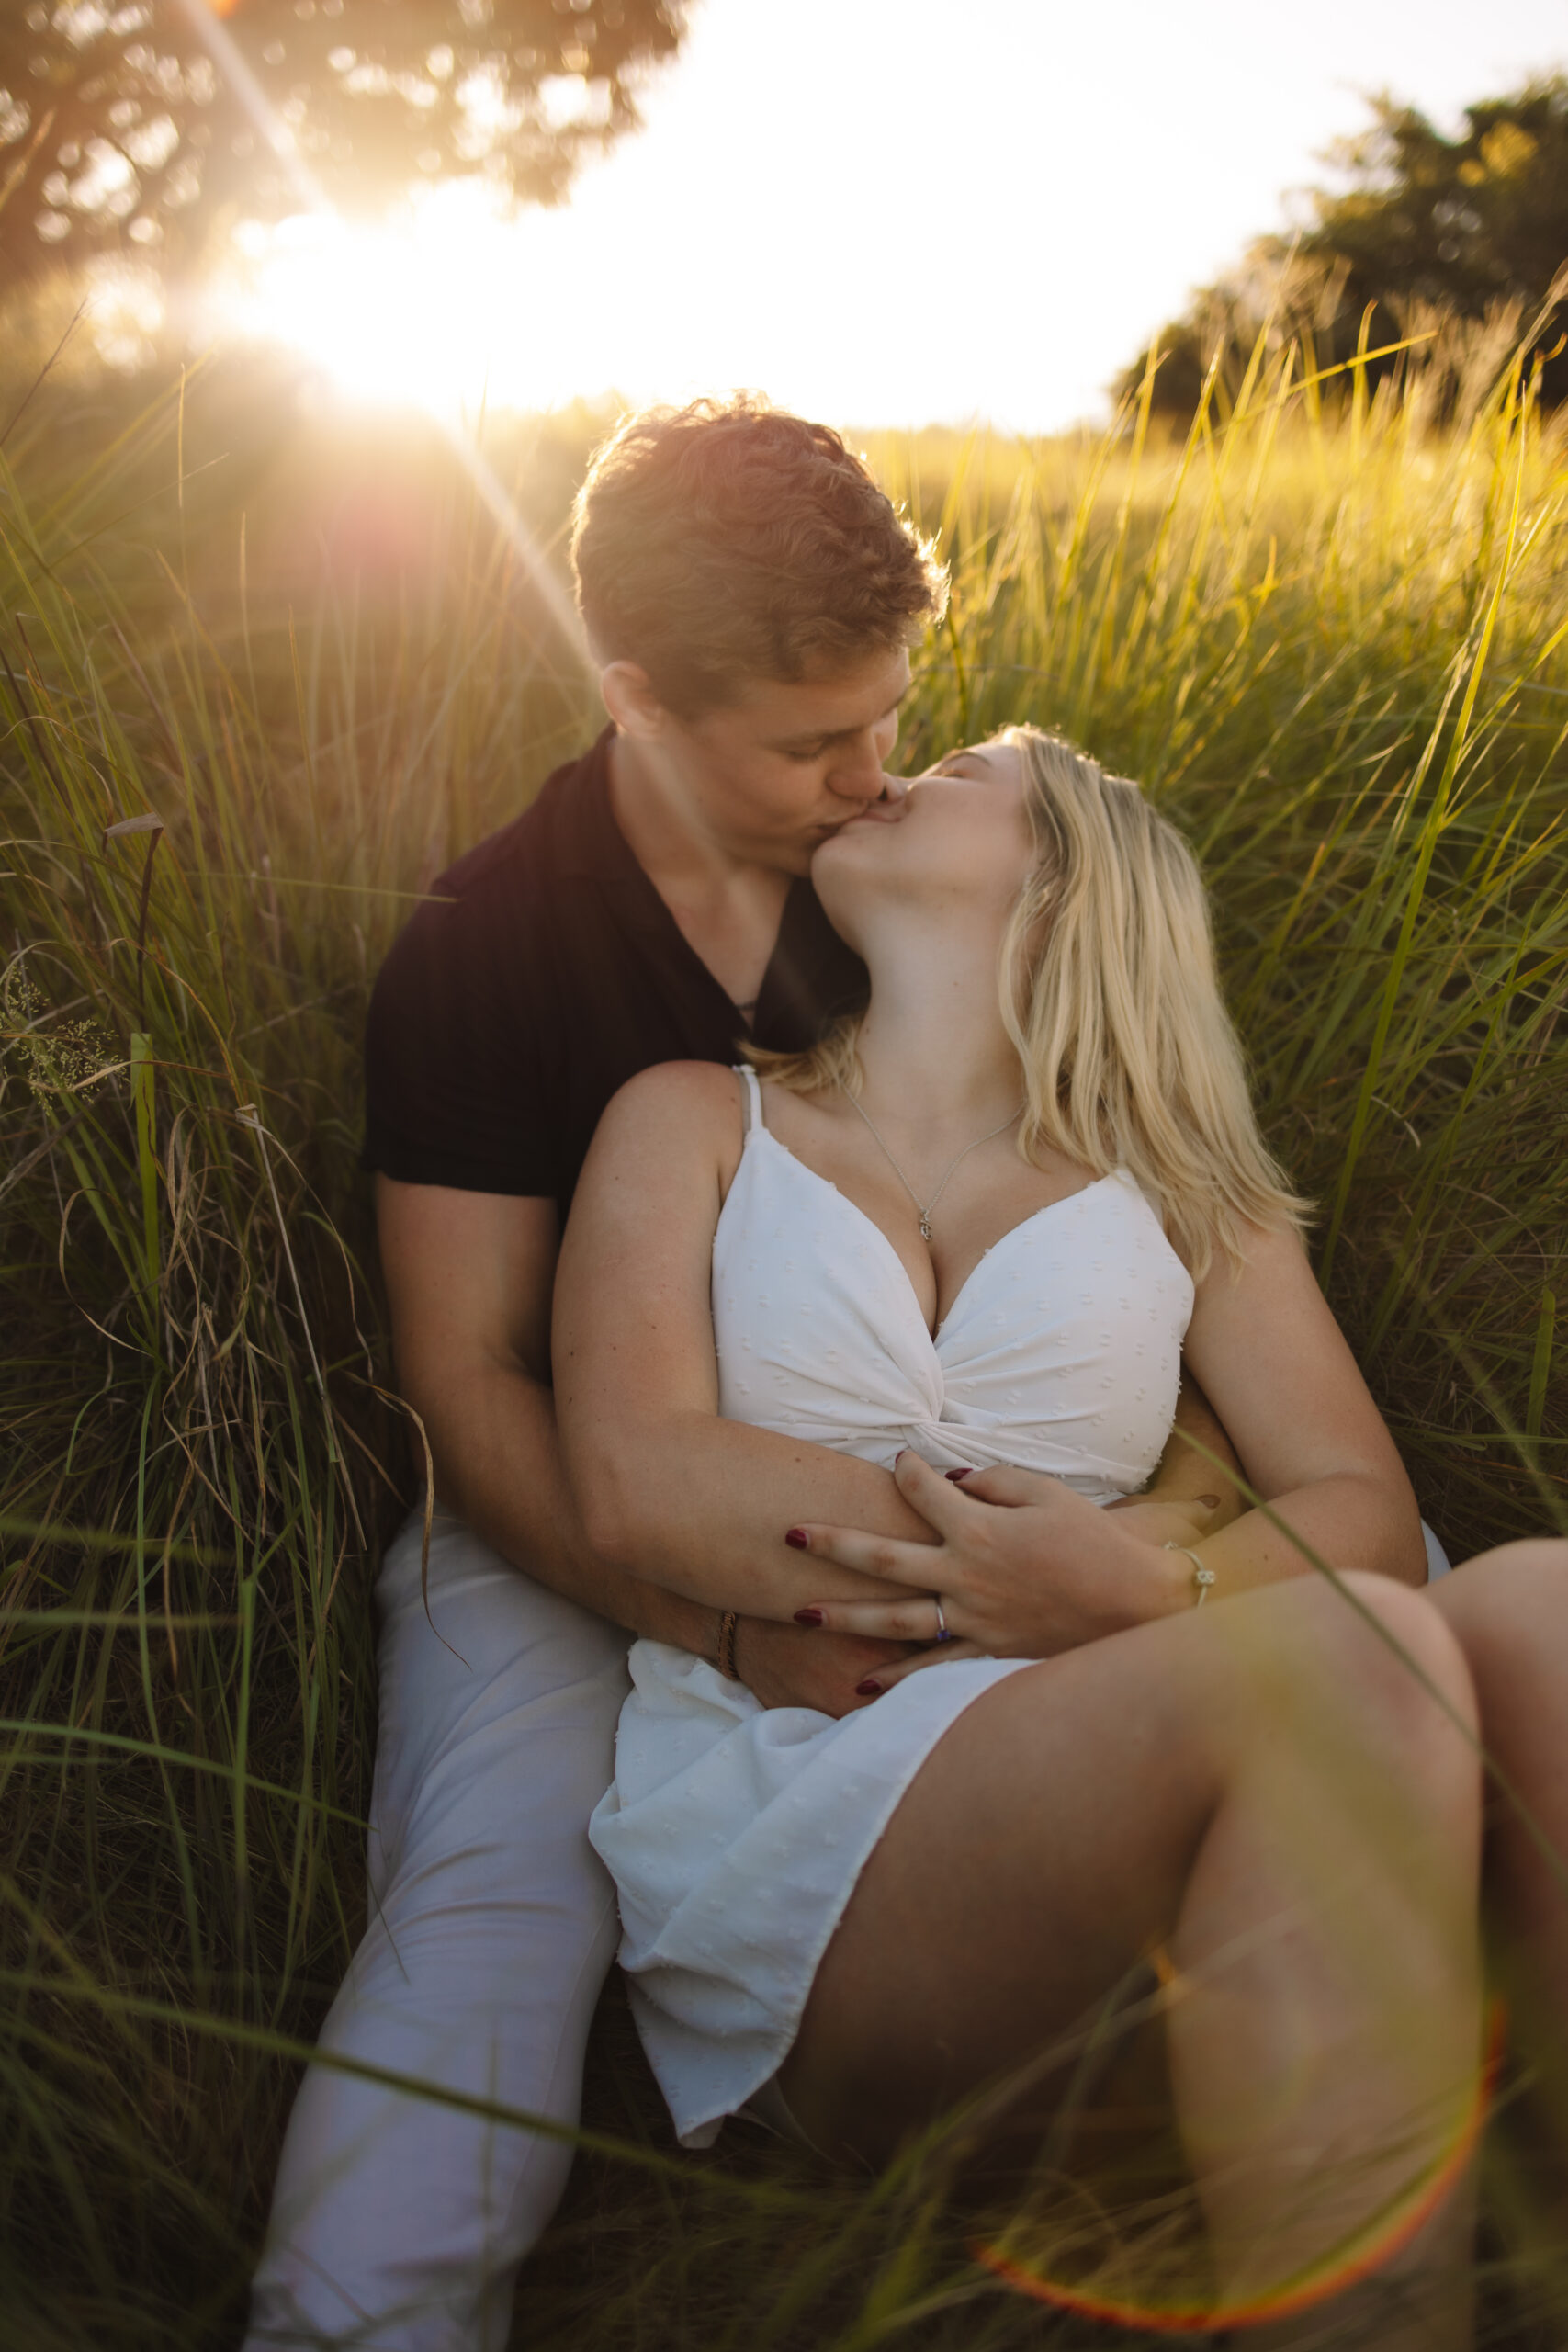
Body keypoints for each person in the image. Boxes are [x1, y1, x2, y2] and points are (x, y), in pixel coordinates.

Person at [243, 404, 1234, 2351]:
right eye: (810, 743)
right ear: (635, 699)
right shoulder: (485, 943)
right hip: (554, 1526)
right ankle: (357, 2323)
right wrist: (703, 1616)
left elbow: (1106, 1252)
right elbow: (460, 1374)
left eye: (892, 719)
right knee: (497, 1892)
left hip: (918, 1508)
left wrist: (1162, 1532)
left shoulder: (901, 894)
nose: (870, 778)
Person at [554, 727, 1568, 2347]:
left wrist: (1134, 1579)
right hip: (814, 1775)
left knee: (1544, 1619)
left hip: (1127, 1732)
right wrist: (996, 1580)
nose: (891, 775)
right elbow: (634, 1471)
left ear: (1063, 878)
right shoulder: (695, 1119)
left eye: (958, 766)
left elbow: (1360, 1505)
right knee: (1343, 1669)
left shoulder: (1178, 1184)